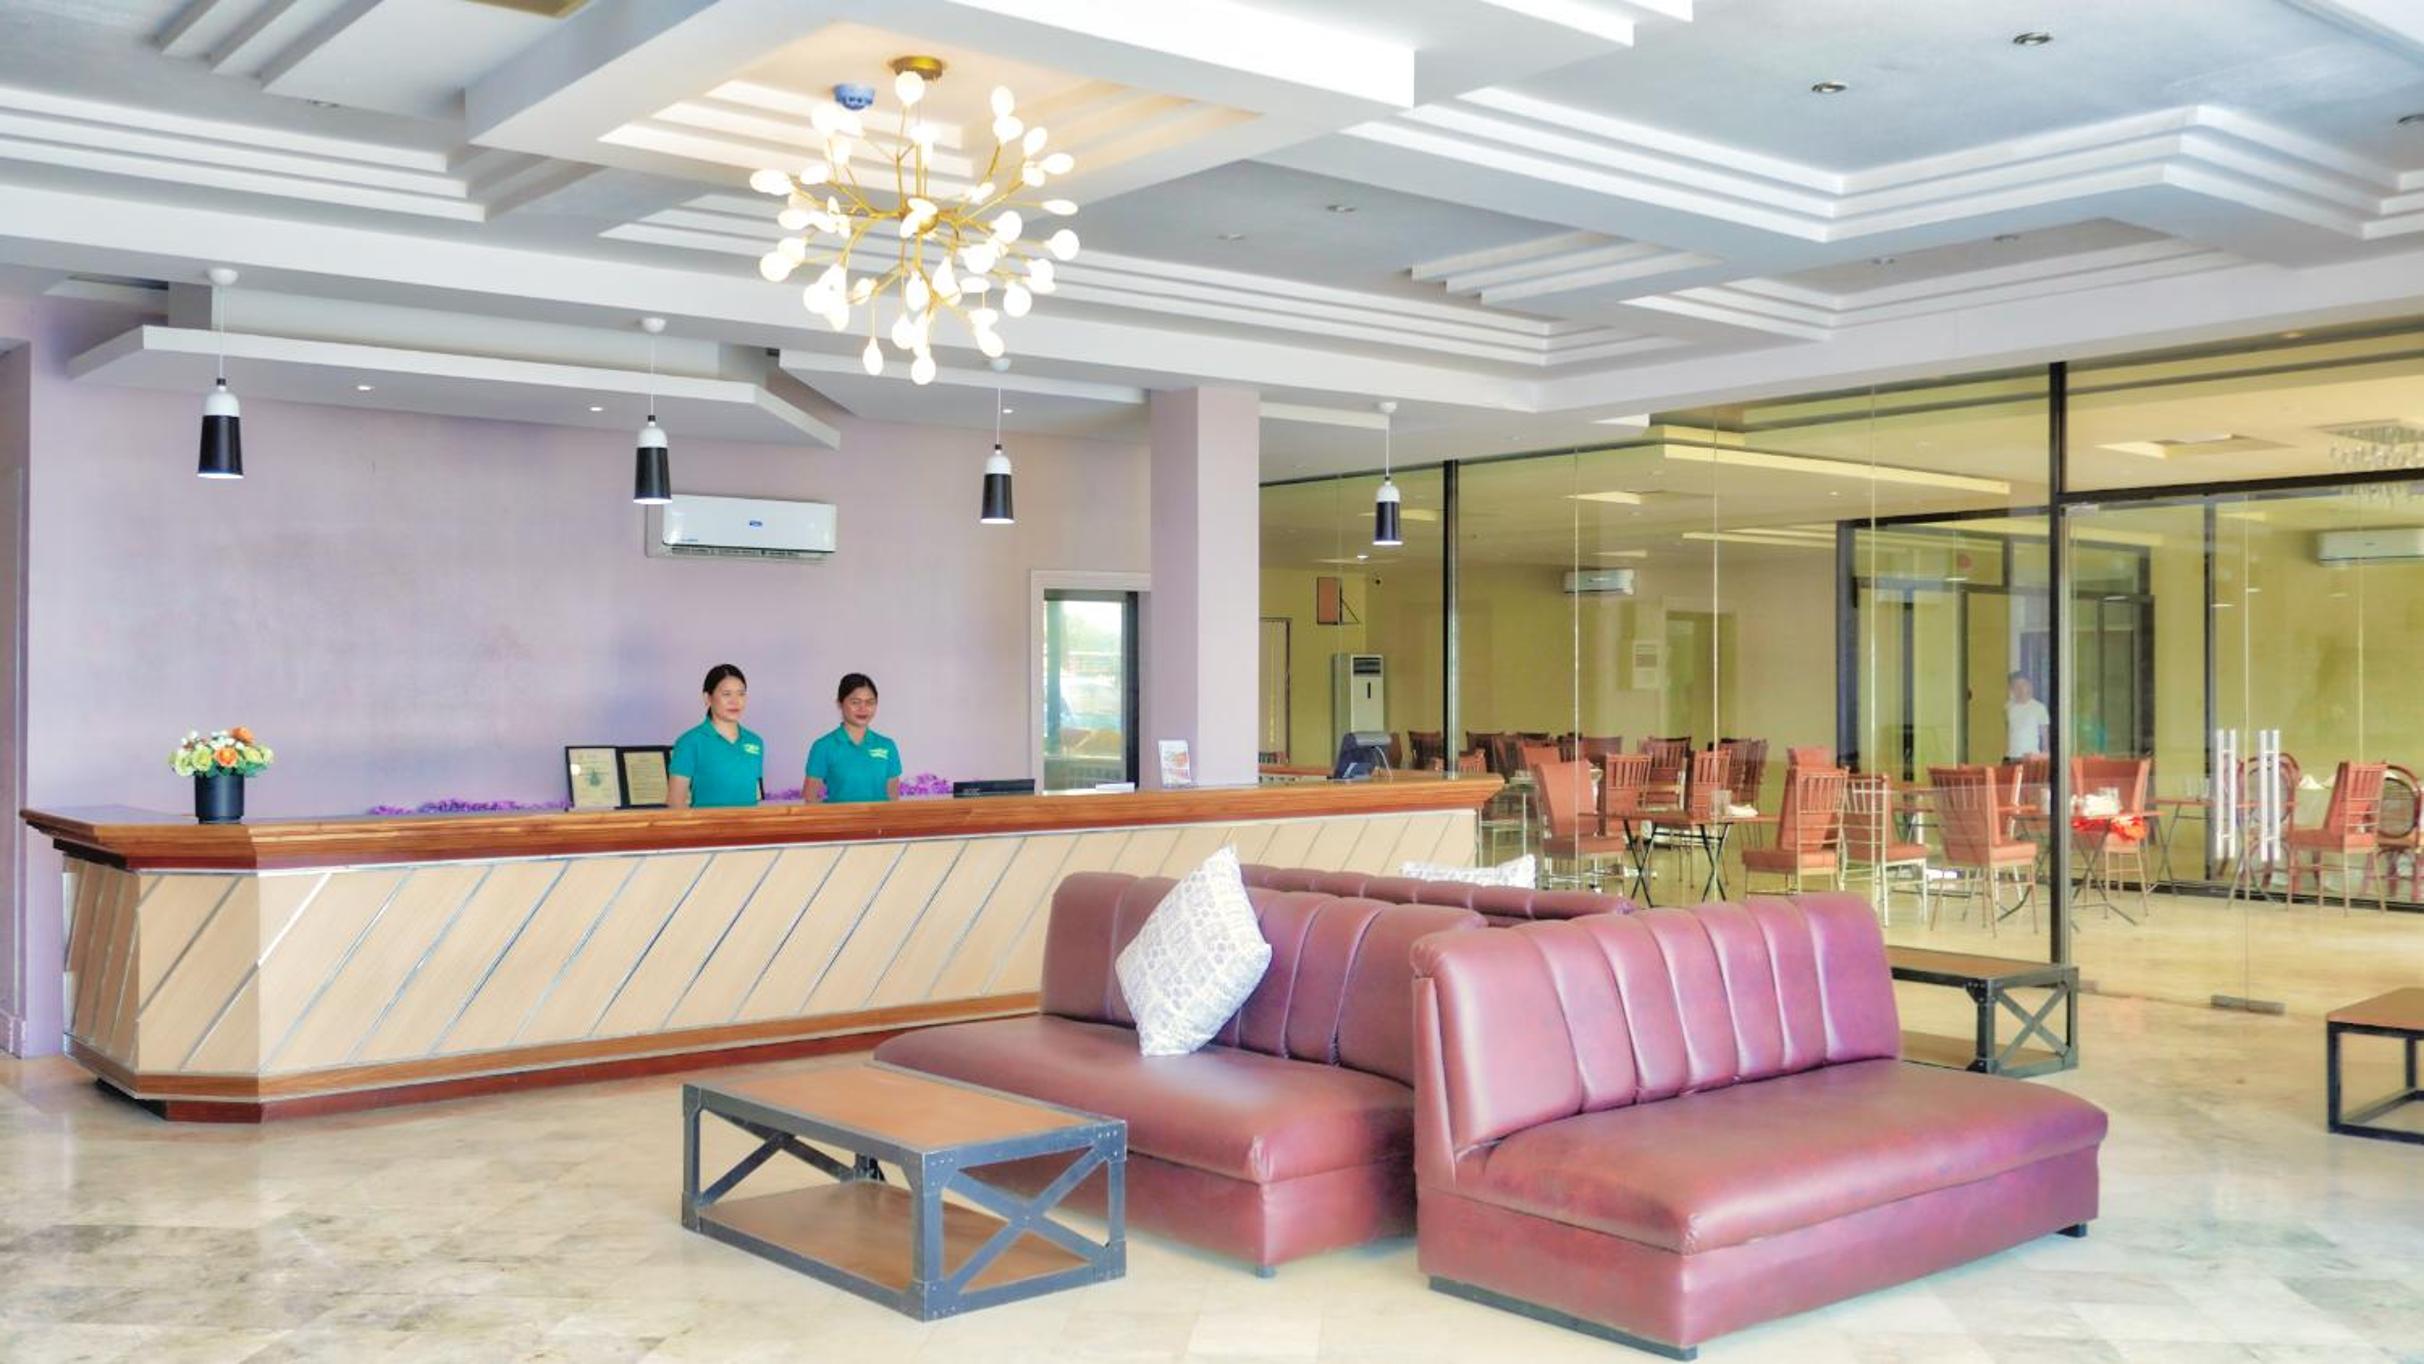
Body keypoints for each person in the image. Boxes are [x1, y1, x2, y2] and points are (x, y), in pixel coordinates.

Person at [667, 664, 765, 809]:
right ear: (707, 698)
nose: (735, 701)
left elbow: (753, 796)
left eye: (741, 694)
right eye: (726, 694)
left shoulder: (755, 742)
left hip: (748, 823)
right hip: (706, 824)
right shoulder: (689, 742)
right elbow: (675, 802)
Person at [805, 672, 902, 803]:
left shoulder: (887, 746)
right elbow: (811, 799)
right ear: (840, 703)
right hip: (839, 817)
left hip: (879, 817)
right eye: (855, 702)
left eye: (870, 702)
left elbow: (893, 799)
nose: (863, 708)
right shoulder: (823, 746)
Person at [2004, 670, 2050, 763]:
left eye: (2023, 685)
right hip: (2011, 757)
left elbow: (2045, 736)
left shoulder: (2039, 708)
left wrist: (2045, 756)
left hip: (2031, 758)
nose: (2020, 689)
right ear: (2011, 689)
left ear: (2029, 686)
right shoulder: (2008, 707)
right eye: (2016, 686)